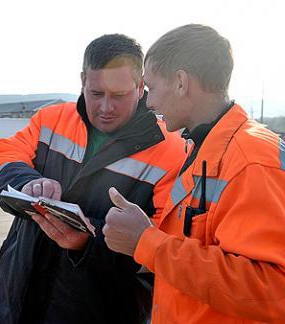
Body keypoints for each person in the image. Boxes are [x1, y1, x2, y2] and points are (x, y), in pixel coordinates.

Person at [0, 34, 186, 323]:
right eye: (96, 93)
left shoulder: (171, 152)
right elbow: (3, 158)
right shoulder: (51, 119)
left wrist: (90, 243)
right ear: (82, 80)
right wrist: (27, 183)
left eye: (119, 96)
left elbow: (165, 252)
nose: (106, 107)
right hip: (16, 305)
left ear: (141, 87)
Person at [103, 24, 285, 323]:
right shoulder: (205, 147)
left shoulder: (249, 160)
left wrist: (146, 242)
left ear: (180, 82)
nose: (148, 103)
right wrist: (147, 239)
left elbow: (274, 289)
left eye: (150, 87)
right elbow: (200, 248)